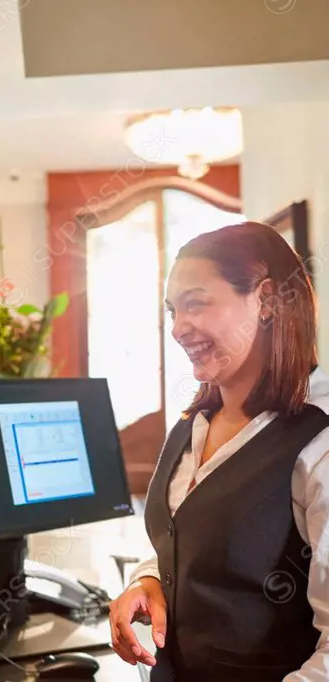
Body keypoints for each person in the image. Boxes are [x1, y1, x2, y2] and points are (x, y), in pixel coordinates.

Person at [108, 221, 329, 681]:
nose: (177, 328)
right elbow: (189, 543)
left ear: (266, 301)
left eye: (196, 304)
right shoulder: (194, 423)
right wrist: (147, 581)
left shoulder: (318, 438)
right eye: (172, 311)